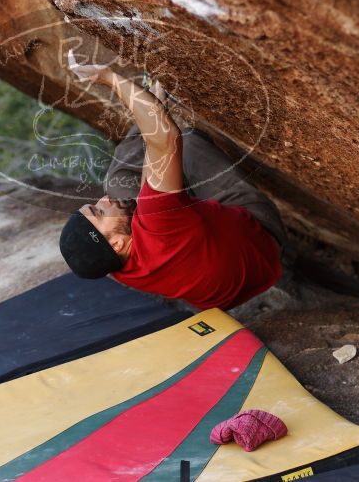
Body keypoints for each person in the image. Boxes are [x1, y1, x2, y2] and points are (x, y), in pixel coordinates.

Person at [58, 50, 287, 311]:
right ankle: (154, 102)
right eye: (99, 211)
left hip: (225, 288)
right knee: (186, 143)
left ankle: (153, 99)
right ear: (117, 243)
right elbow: (167, 139)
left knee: (118, 183)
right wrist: (108, 77)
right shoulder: (159, 225)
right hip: (263, 240)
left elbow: (146, 204)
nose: (104, 200)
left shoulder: (113, 263)